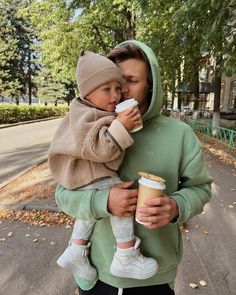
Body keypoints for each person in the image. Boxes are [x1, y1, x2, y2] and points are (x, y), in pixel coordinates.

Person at [55, 41, 213, 295]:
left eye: (131, 81)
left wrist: (176, 206)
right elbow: (62, 195)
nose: (120, 91)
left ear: (151, 84)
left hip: (154, 278)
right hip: (95, 276)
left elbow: (200, 188)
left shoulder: (180, 135)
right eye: (115, 82)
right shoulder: (88, 132)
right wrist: (103, 202)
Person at [48, 50, 158, 282]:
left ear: (152, 85)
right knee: (120, 195)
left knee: (92, 210)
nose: (117, 94)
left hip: (83, 176)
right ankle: (126, 252)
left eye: (118, 87)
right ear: (87, 92)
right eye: (107, 89)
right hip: (83, 173)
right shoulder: (84, 115)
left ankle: (76, 250)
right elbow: (100, 149)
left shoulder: (91, 110)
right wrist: (122, 126)